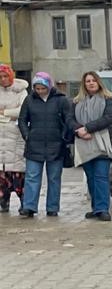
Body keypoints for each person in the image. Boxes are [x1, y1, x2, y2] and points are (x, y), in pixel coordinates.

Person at [16, 73, 71, 218]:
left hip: (56, 144)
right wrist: (27, 135)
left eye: (42, 88)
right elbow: (22, 120)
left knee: (54, 178)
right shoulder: (29, 100)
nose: (40, 91)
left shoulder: (61, 100)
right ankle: (29, 206)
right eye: (37, 88)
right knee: (32, 176)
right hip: (34, 144)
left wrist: (63, 137)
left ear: (49, 86)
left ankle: (52, 207)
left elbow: (68, 120)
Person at [70, 70, 112, 221]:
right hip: (83, 142)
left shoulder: (109, 99)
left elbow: (108, 118)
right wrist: (79, 131)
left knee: (101, 176)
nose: (90, 83)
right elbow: (69, 119)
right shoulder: (76, 102)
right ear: (84, 84)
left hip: (102, 143)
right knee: (90, 177)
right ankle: (96, 208)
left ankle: (103, 209)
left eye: (93, 80)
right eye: (87, 81)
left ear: (98, 82)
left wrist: (88, 128)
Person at [0, 64, 29, 212]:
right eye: (0, 77)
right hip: (1, 134)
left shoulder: (21, 91)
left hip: (15, 132)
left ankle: (24, 203)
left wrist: (5, 112)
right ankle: (3, 202)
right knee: (1, 174)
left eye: (5, 76)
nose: (3, 79)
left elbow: (23, 110)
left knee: (18, 173)